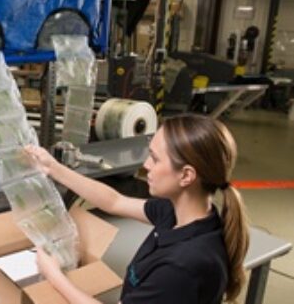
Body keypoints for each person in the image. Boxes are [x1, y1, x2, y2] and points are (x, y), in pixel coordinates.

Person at [24, 114, 250, 304]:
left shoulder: (183, 266)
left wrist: (54, 275)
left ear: (186, 175)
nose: (146, 165)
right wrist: (53, 168)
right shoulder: (177, 213)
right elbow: (114, 201)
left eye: (155, 158)